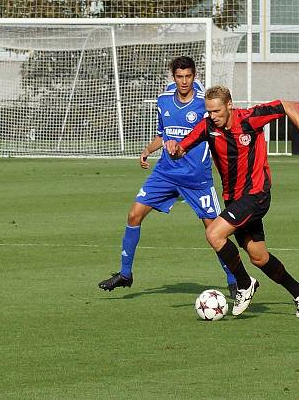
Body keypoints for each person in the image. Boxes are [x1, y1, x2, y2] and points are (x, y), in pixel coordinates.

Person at [166, 86, 299, 318]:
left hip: (256, 194)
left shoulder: (250, 118)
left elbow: (287, 106)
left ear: (229, 105)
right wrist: (174, 148)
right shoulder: (208, 126)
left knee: (214, 234)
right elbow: (182, 149)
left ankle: (243, 283)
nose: (213, 116)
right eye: (209, 111)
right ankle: (298, 291)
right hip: (233, 199)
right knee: (259, 257)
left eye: (217, 111)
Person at [98, 56, 237, 297]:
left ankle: (235, 281)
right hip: (165, 173)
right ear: (173, 77)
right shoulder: (163, 100)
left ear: (195, 76)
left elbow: (221, 130)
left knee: (214, 231)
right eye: (179, 76)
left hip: (196, 178)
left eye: (188, 76)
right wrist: (147, 150)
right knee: (133, 214)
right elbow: (164, 134)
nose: (184, 81)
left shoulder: (205, 103)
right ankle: (125, 274)